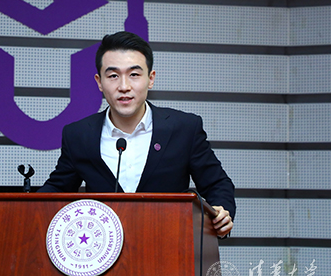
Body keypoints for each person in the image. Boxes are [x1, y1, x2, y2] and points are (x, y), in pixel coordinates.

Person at [38, 31, 235, 237]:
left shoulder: (184, 128)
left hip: (169, 245)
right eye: (113, 76)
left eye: (134, 74)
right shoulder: (79, 135)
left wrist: (221, 211)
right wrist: (25, 208)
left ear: (151, 79)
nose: (124, 87)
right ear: (99, 82)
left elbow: (217, 183)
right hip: (104, 249)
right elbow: (56, 190)